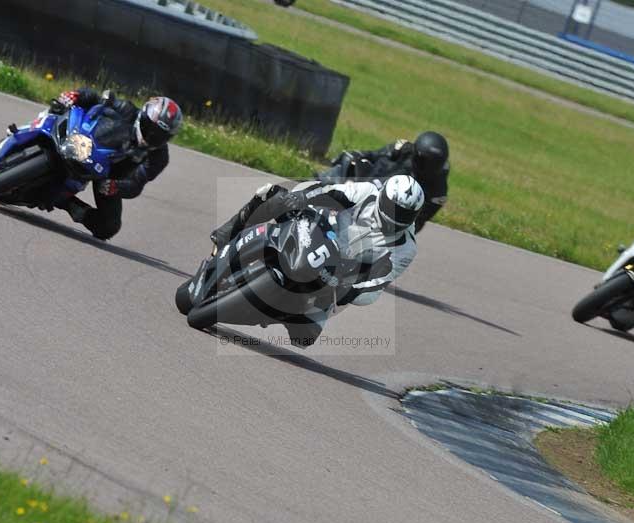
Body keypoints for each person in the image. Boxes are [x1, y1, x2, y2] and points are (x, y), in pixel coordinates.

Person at [210, 175, 425, 343]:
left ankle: (268, 311)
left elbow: (375, 286)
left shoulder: (406, 248)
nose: (396, 216)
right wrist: (303, 198)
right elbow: (331, 192)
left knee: (304, 336)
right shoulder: (368, 192)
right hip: (317, 232)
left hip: (335, 279)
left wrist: (348, 290)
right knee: (270, 194)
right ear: (383, 198)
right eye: (393, 209)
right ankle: (224, 237)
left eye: (404, 214)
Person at [47, 88, 183, 240]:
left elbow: (136, 183)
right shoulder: (127, 109)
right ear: (142, 116)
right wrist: (76, 95)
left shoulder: (159, 157)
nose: (151, 136)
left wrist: (116, 187)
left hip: (108, 177)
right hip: (85, 144)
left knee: (108, 227)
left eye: (159, 136)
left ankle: (67, 203)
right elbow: (97, 98)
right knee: (58, 111)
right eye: (149, 128)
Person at [317, 131, 449, 233]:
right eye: (424, 161)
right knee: (346, 164)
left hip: (388, 217)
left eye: (434, 164)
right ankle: (311, 197)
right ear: (416, 154)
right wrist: (356, 155)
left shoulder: (438, 193)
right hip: (370, 184)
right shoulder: (404, 149)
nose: (428, 167)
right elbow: (374, 155)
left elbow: (416, 224)